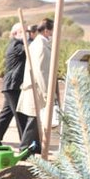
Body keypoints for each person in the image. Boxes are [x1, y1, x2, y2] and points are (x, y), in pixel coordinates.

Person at [16, 18, 54, 155]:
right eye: (51, 30)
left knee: (38, 119)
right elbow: (41, 71)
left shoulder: (38, 43)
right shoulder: (41, 45)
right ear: (46, 30)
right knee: (34, 119)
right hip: (36, 87)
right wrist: (46, 92)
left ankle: (36, 147)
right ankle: (24, 149)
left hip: (35, 86)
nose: (52, 33)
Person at [0, 23, 28, 147]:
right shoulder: (16, 45)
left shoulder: (19, 44)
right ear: (16, 33)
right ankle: (25, 144)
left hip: (12, 85)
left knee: (6, 114)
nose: (27, 34)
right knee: (20, 115)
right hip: (13, 85)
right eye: (24, 31)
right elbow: (29, 49)